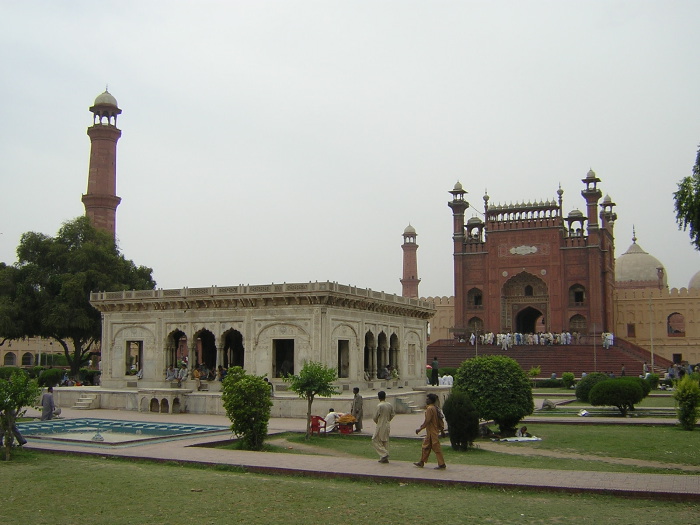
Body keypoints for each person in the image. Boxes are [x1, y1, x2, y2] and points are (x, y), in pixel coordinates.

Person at [413, 393, 446, 469]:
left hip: (432, 432)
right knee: (426, 447)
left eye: (427, 399)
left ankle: (442, 464)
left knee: (436, 448)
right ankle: (421, 462)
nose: (426, 400)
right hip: (431, 432)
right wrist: (442, 430)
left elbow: (427, 420)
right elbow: (440, 420)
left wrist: (420, 429)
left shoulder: (430, 409)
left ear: (431, 400)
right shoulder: (435, 408)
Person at [372, 391, 395, 463]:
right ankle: (383, 458)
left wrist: (378, 422)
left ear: (378, 397)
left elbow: (375, 417)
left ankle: (384, 454)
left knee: (375, 439)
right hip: (387, 424)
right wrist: (388, 420)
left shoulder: (380, 406)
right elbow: (392, 414)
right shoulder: (389, 405)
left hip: (380, 424)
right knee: (384, 440)